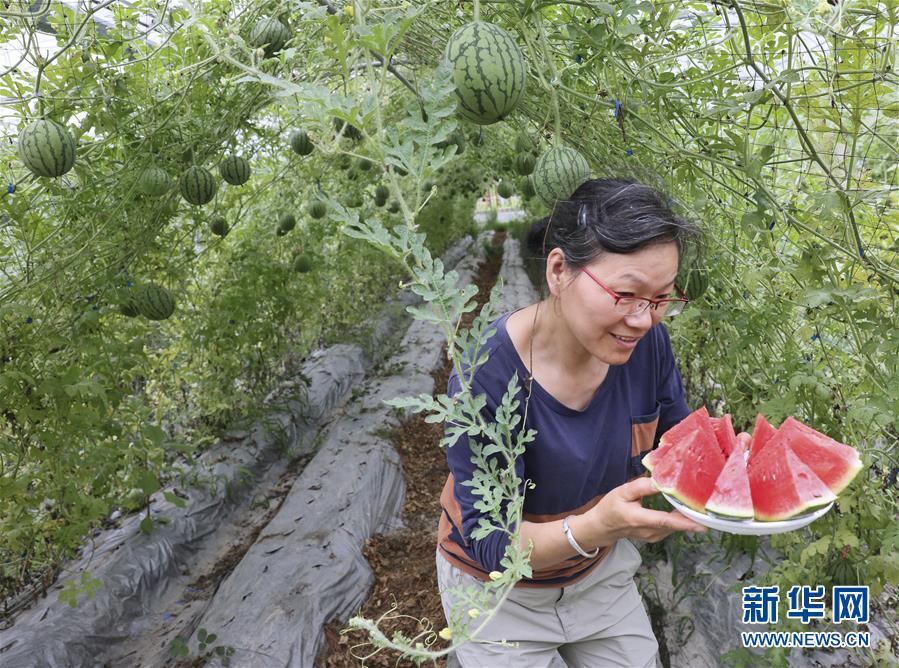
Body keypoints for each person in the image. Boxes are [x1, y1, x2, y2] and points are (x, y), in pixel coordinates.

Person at [435, 178, 709, 667]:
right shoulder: (485, 376)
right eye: (626, 294)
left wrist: (726, 463)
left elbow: (677, 439)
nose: (644, 319)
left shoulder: (647, 345)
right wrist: (597, 526)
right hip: (500, 596)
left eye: (662, 298)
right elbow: (494, 545)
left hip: (600, 577)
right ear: (559, 269)